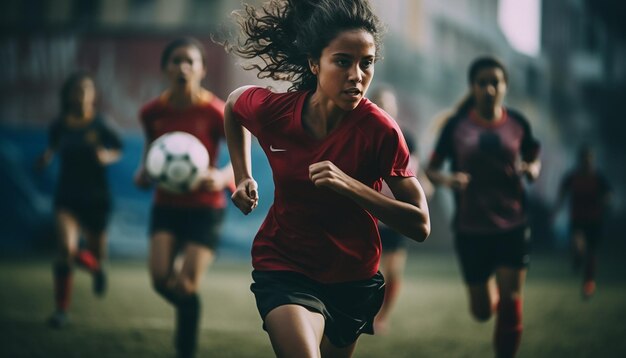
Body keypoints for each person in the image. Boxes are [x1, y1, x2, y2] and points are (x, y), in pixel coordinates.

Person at [222, 1, 431, 357]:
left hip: (353, 277)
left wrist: (349, 185)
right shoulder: (277, 112)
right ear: (314, 63)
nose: (357, 75)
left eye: (367, 63)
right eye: (343, 61)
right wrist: (243, 177)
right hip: (284, 265)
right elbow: (233, 105)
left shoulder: (381, 131)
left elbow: (420, 224)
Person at [426, 56, 541, 358]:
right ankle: (489, 297)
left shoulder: (518, 124)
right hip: (471, 228)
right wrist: (449, 179)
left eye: (496, 83)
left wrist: (531, 168)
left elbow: (533, 156)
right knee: (481, 312)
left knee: (511, 300)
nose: (489, 89)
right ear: (473, 87)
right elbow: (431, 169)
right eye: (483, 83)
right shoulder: (456, 127)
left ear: (505, 86)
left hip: (513, 224)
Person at [133, 37, 234, 358]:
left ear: (202, 69)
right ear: (165, 68)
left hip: (205, 210)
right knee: (161, 280)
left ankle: (185, 348)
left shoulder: (217, 112)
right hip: (167, 206)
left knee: (186, 286)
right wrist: (143, 173)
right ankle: (189, 314)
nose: (183, 67)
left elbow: (239, 163)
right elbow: (151, 156)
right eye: (176, 60)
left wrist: (220, 176)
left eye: (191, 61)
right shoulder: (152, 112)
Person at [35, 72, 123, 328]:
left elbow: (118, 148)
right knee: (66, 251)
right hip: (67, 196)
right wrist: (46, 158)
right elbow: (51, 148)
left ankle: (97, 269)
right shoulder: (59, 125)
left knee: (96, 255)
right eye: (77, 90)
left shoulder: (101, 124)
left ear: (93, 95)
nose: (82, 95)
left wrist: (108, 156)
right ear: (69, 95)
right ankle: (61, 311)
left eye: (87, 90)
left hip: (96, 198)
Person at [367, 85, 433, 334]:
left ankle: (382, 317)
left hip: (396, 215)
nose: (385, 107)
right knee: (371, 270)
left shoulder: (406, 138)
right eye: (380, 103)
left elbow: (416, 173)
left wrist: (424, 187)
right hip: (370, 214)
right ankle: (365, 313)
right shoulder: (363, 134)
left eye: (388, 103)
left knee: (393, 270)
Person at [554, 144, 611, 299]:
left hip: (595, 221)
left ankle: (589, 283)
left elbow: (608, 195)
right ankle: (577, 260)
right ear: (580, 160)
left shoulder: (599, 178)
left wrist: (604, 203)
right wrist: (556, 210)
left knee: (592, 254)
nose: (587, 162)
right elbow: (562, 193)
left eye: (590, 159)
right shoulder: (572, 177)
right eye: (585, 159)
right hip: (577, 220)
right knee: (578, 247)